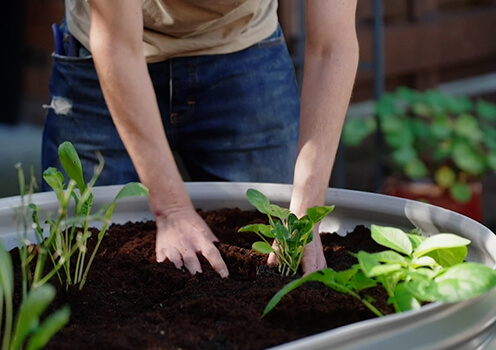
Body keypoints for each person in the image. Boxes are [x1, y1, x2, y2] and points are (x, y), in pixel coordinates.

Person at [42, 0, 359, 279]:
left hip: (243, 49)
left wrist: (304, 217)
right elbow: (116, 43)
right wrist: (172, 209)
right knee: (77, 260)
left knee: (277, 254)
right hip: (107, 54)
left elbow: (332, 45)